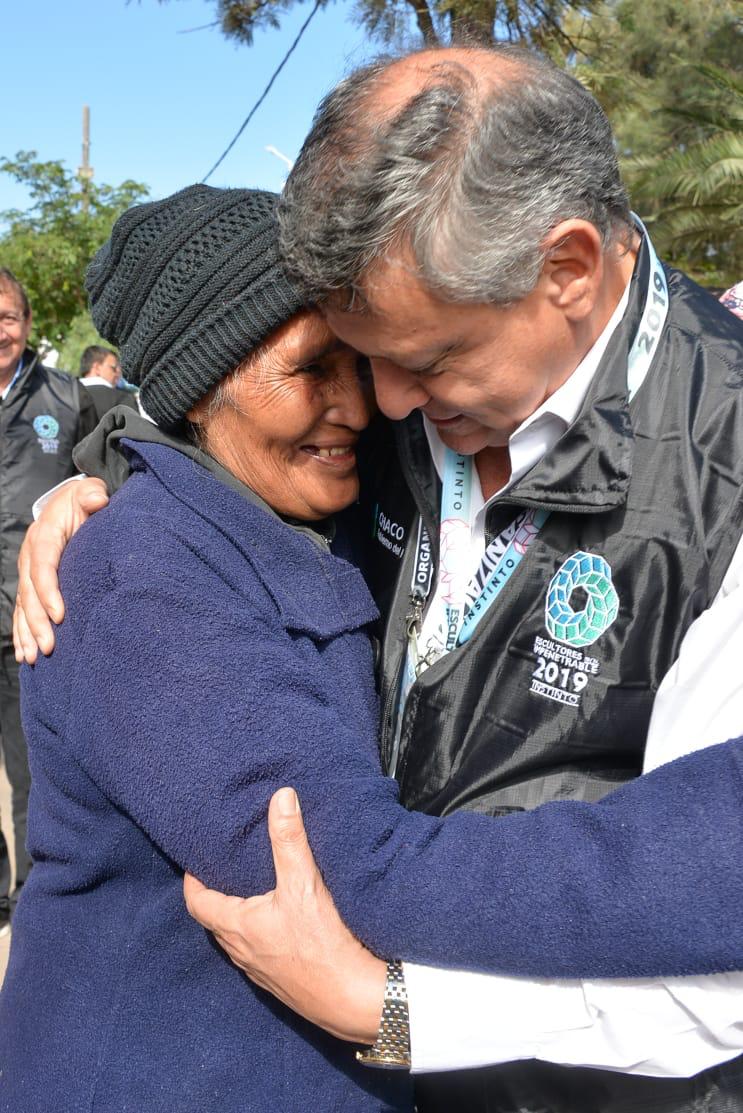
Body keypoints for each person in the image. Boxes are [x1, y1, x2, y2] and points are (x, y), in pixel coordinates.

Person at [13, 47, 743, 1112]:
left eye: (425, 360)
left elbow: (713, 994)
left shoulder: (717, 478)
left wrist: (399, 1014)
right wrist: (88, 489)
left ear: (567, 270)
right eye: (342, 360)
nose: (383, 404)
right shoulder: (196, 532)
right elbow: (336, 851)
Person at [0, 267, 97, 937]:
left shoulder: (66, 399)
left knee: (35, 774)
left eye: (6, 314)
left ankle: (37, 897)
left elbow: (110, 471)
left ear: (28, 324)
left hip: (30, 618)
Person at [78, 344, 138, 420]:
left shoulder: (66, 395)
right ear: (97, 368)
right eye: (114, 368)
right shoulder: (121, 399)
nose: (118, 374)